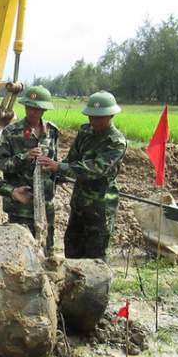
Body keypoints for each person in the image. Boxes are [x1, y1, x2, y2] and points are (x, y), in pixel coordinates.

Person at [40, 90, 127, 260]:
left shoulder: (115, 142)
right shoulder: (85, 132)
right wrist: (55, 173)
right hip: (79, 204)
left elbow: (94, 169)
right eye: (91, 116)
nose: (94, 121)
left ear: (110, 115)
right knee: (72, 250)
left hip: (99, 208)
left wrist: (59, 167)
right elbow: (72, 157)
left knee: (94, 257)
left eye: (99, 117)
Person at [0, 86, 59, 253]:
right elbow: (0, 161)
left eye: (37, 109)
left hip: (45, 203)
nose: (32, 112)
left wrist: (53, 167)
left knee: (46, 247)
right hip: (21, 203)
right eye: (29, 107)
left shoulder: (52, 132)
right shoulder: (11, 132)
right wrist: (24, 157)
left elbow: (55, 163)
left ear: (44, 109)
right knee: (21, 251)